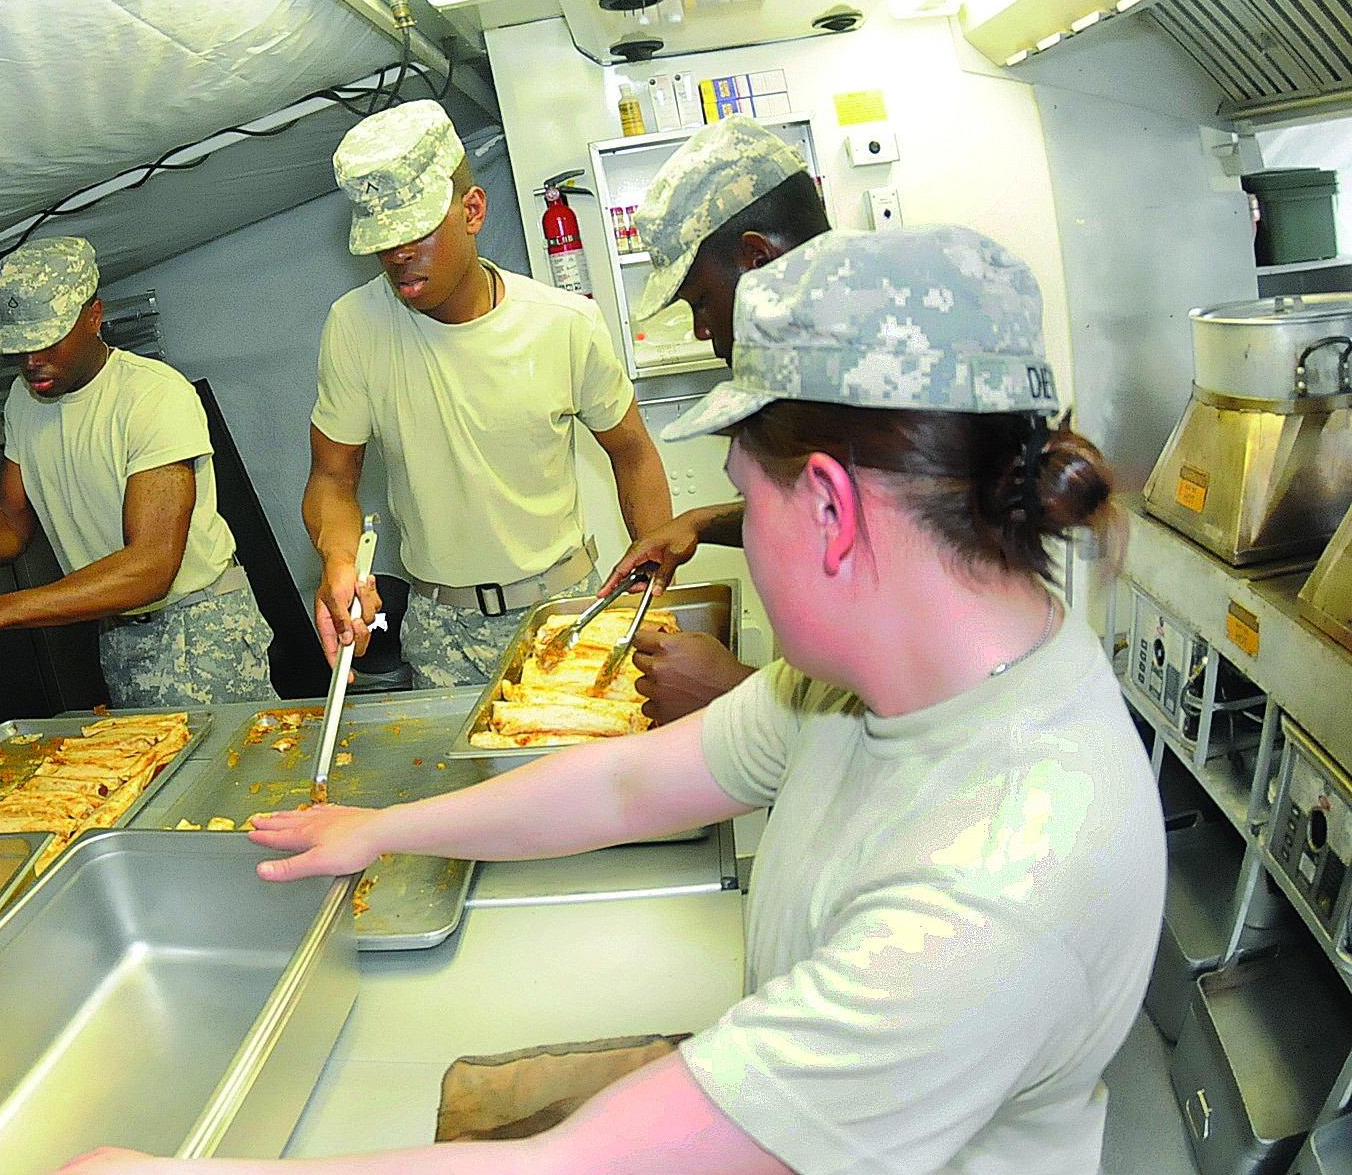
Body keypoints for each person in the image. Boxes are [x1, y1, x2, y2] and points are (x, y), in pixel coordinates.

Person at [63, 227, 1161, 1175]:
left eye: (740, 497)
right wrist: (379, 829)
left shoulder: (996, 884)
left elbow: (574, 1166)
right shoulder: (865, 688)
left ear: (825, 506)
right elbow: (637, 774)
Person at [303, 100, 672, 689]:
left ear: (471, 210)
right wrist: (339, 560)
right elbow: (331, 478)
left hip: (563, 615)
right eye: (382, 240)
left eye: (415, 233)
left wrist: (651, 578)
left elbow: (632, 451)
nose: (398, 256)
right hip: (440, 632)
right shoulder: (355, 326)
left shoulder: (564, 324)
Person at [0, 236, 277, 709]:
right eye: (18, 347)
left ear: (93, 317)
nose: (31, 362)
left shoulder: (152, 397)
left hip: (198, 627)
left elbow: (151, 567)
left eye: (46, 340)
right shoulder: (24, 402)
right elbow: (10, 527)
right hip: (118, 631)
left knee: (235, 777)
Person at [603, 114, 837, 716]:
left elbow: (917, 704)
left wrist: (738, 690)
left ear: (756, 258)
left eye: (702, 302)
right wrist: (701, 523)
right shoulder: (824, 365)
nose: (706, 332)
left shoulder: (870, 392)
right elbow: (830, 519)